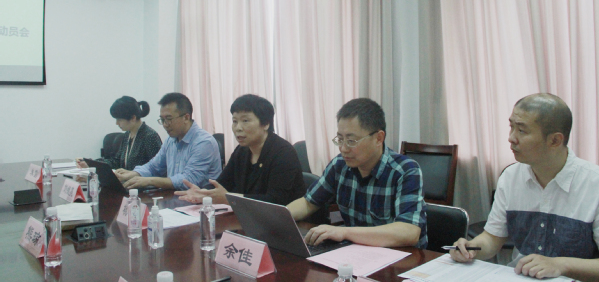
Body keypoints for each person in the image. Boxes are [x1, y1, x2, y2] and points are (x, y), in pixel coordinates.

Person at [450, 93, 599, 281]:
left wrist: (561, 265)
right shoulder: (511, 177)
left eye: (522, 130)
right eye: (511, 127)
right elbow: (492, 238)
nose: (511, 138)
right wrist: (470, 248)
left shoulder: (593, 184)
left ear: (555, 140)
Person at [286, 98, 427, 248]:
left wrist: (344, 232)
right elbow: (308, 203)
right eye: (340, 139)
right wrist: (277, 217)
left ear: (378, 138)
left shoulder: (405, 171)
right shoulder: (340, 165)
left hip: (400, 257)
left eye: (351, 141)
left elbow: (409, 231)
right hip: (356, 252)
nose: (343, 148)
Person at [175, 94, 305, 205]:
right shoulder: (242, 151)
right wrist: (203, 192)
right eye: (235, 121)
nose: (238, 128)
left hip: (286, 222)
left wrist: (229, 198)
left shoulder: (283, 153)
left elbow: (275, 200)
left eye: (245, 121)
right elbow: (222, 183)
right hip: (249, 216)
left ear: (266, 124)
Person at [115, 92, 222, 190]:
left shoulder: (204, 142)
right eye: (162, 120)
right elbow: (153, 166)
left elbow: (188, 181)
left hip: (201, 202)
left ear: (186, 117)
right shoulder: (171, 140)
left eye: (169, 119)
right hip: (176, 199)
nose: (165, 124)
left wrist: (148, 181)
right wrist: (133, 174)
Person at [77, 96, 162, 170]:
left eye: (119, 120)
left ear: (133, 118)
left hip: (141, 183)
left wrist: (135, 175)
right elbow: (116, 162)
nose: (117, 123)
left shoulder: (150, 136)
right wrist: (91, 163)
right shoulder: (127, 135)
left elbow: (158, 169)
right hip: (127, 181)